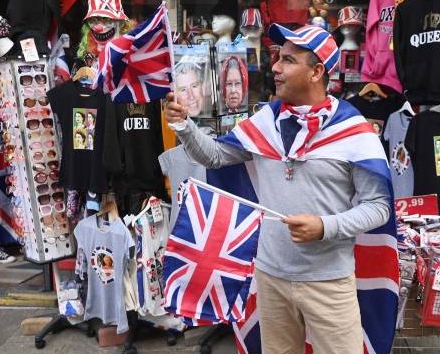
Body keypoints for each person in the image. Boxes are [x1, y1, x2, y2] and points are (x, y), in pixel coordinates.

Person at [164, 24, 391, 354]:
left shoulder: (354, 131)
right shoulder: (264, 122)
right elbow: (213, 156)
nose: (275, 68)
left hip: (329, 281)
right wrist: (184, 125)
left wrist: (326, 226)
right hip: (271, 276)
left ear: (316, 72)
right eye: (277, 59)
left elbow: (378, 206)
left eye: (287, 60)